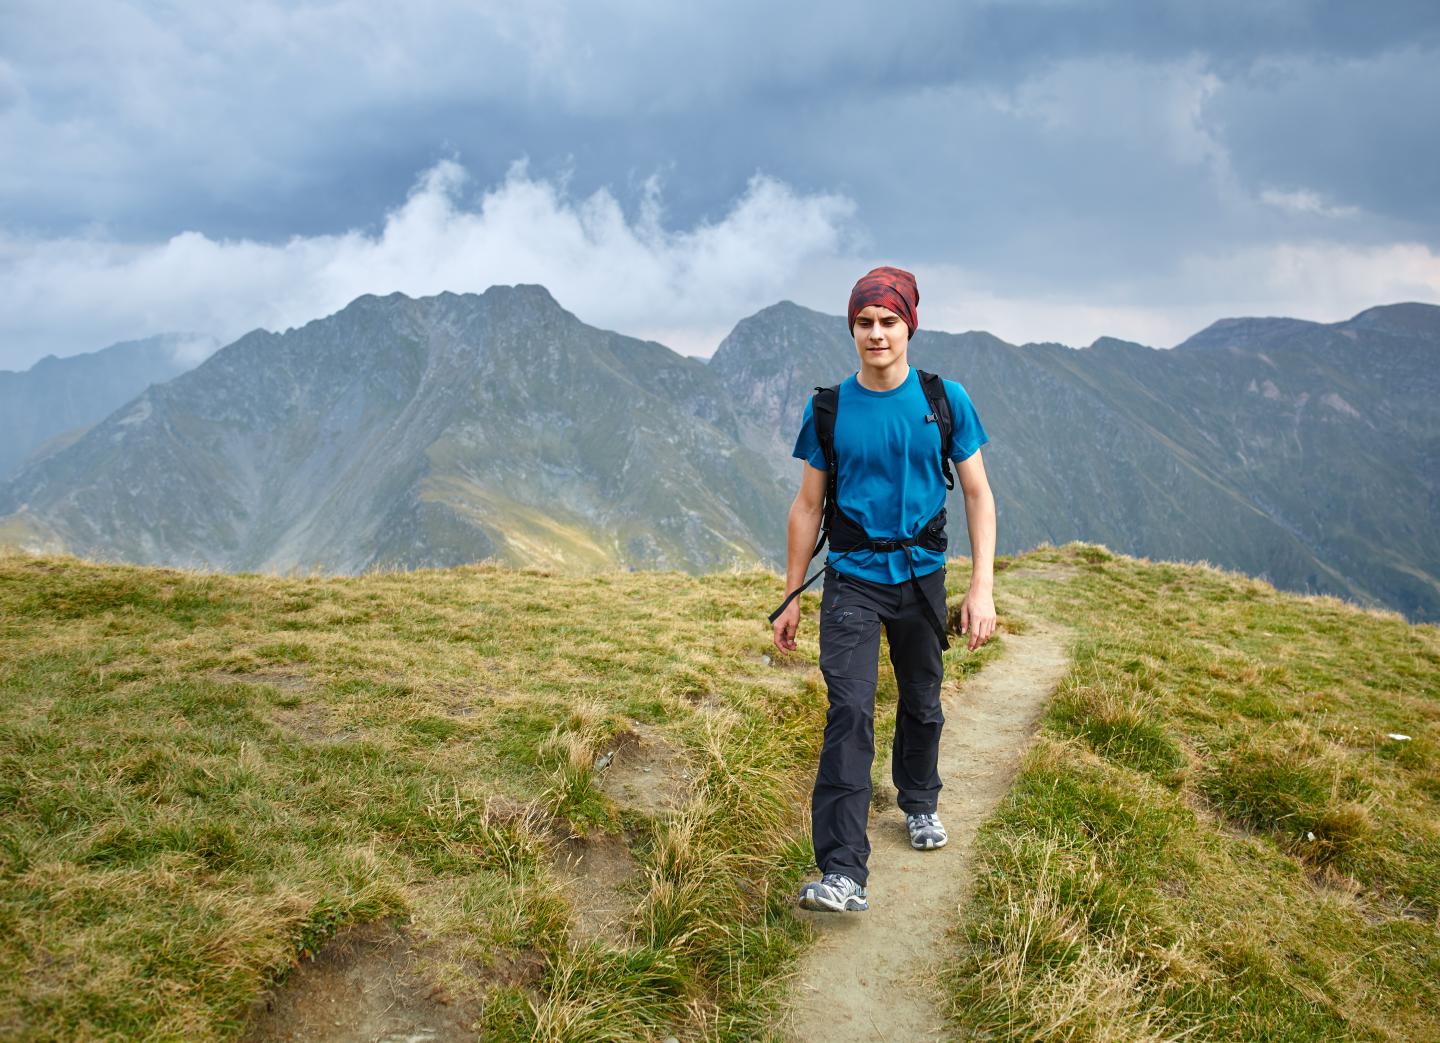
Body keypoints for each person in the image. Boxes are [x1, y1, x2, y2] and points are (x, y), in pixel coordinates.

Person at [772, 265, 997, 913]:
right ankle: (843, 871)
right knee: (849, 712)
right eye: (864, 322)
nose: (876, 333)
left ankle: (919, 799)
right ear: (852, 328)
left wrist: (980, 587)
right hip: (852, 581)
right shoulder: (830, 408)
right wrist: (792, 595)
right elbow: (807, 506)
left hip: (923, 578)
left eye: (888, 322)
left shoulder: (943, 399)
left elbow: (979, 495)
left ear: (909, 327)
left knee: (923, 702)